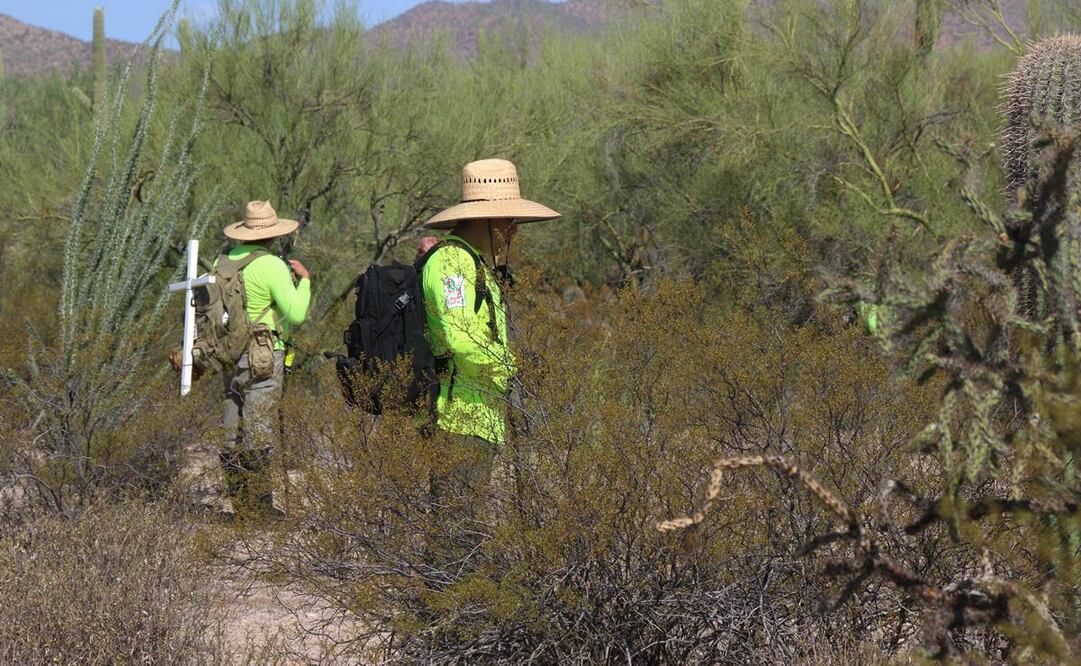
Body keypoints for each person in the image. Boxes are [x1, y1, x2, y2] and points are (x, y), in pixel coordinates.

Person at [419, 158, 559, 537]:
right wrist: (512, 366)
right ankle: (444, 597)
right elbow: (461, 337)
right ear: (488, 220)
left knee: (465, 527)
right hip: (459, 415)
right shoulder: (452, 262)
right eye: (509, 221)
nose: (514, 231)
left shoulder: (474, 263)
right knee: (453, 530)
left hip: (479, 414)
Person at [218, 200, 311, 518]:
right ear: (273, 233)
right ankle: (259, 510)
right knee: (258, 431)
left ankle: (241, 506)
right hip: (262, 353)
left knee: (233, 428)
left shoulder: (224, 261)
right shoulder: (271, 264)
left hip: (229, 354)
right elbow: (296, 314)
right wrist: (306, 281)